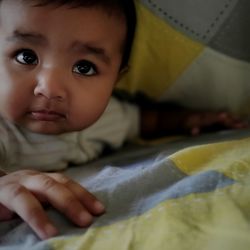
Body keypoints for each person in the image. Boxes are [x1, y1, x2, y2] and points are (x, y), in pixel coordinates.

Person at [0, 0, 136, 240]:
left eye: (84, 67)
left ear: (115, 80)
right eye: (26, 56)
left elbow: (146, 121)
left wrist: (189, 120)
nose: (50, 89)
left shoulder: (108, 118)